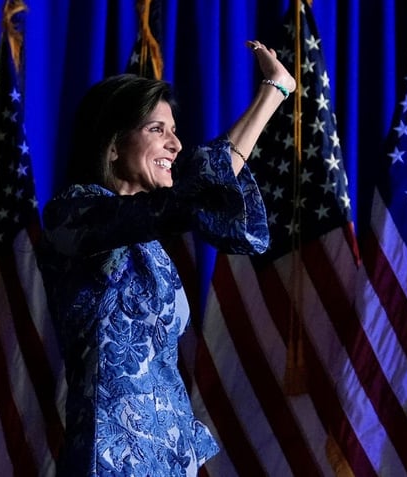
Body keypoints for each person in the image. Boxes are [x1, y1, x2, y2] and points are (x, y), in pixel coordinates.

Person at [37, 40, 296, 476]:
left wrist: (277, 89)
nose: (175, 144)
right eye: (157, 130)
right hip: (110, 462)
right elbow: (185, 198)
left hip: (172, 459)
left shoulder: (152, 245)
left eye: (174, 131)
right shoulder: (72, 214)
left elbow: (195, 195)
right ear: (113, 144)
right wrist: (271, 93)